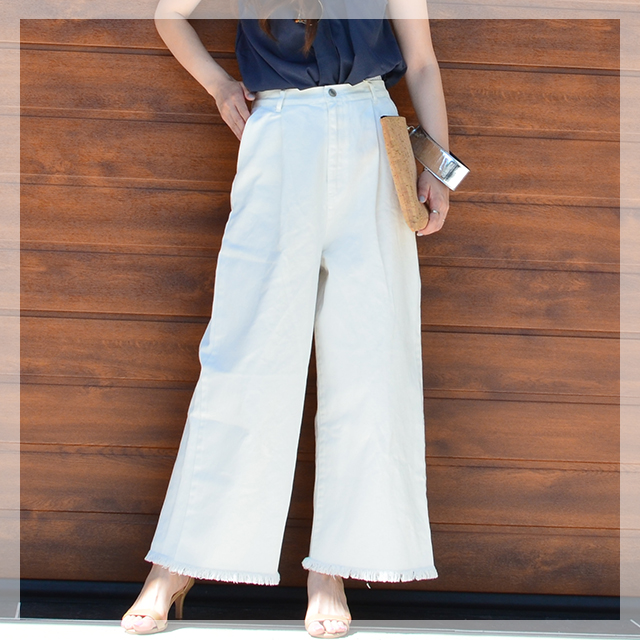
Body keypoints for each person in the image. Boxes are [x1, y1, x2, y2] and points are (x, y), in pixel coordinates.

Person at [121, 0, 449, 637]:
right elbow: (169, 14)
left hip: (373, 132)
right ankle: (177, 562)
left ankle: (333, 570)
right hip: (279, 132)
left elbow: (423, 62)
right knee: (243, 356)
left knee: (370, 360)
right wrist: (220, 87)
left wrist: (436, 163)